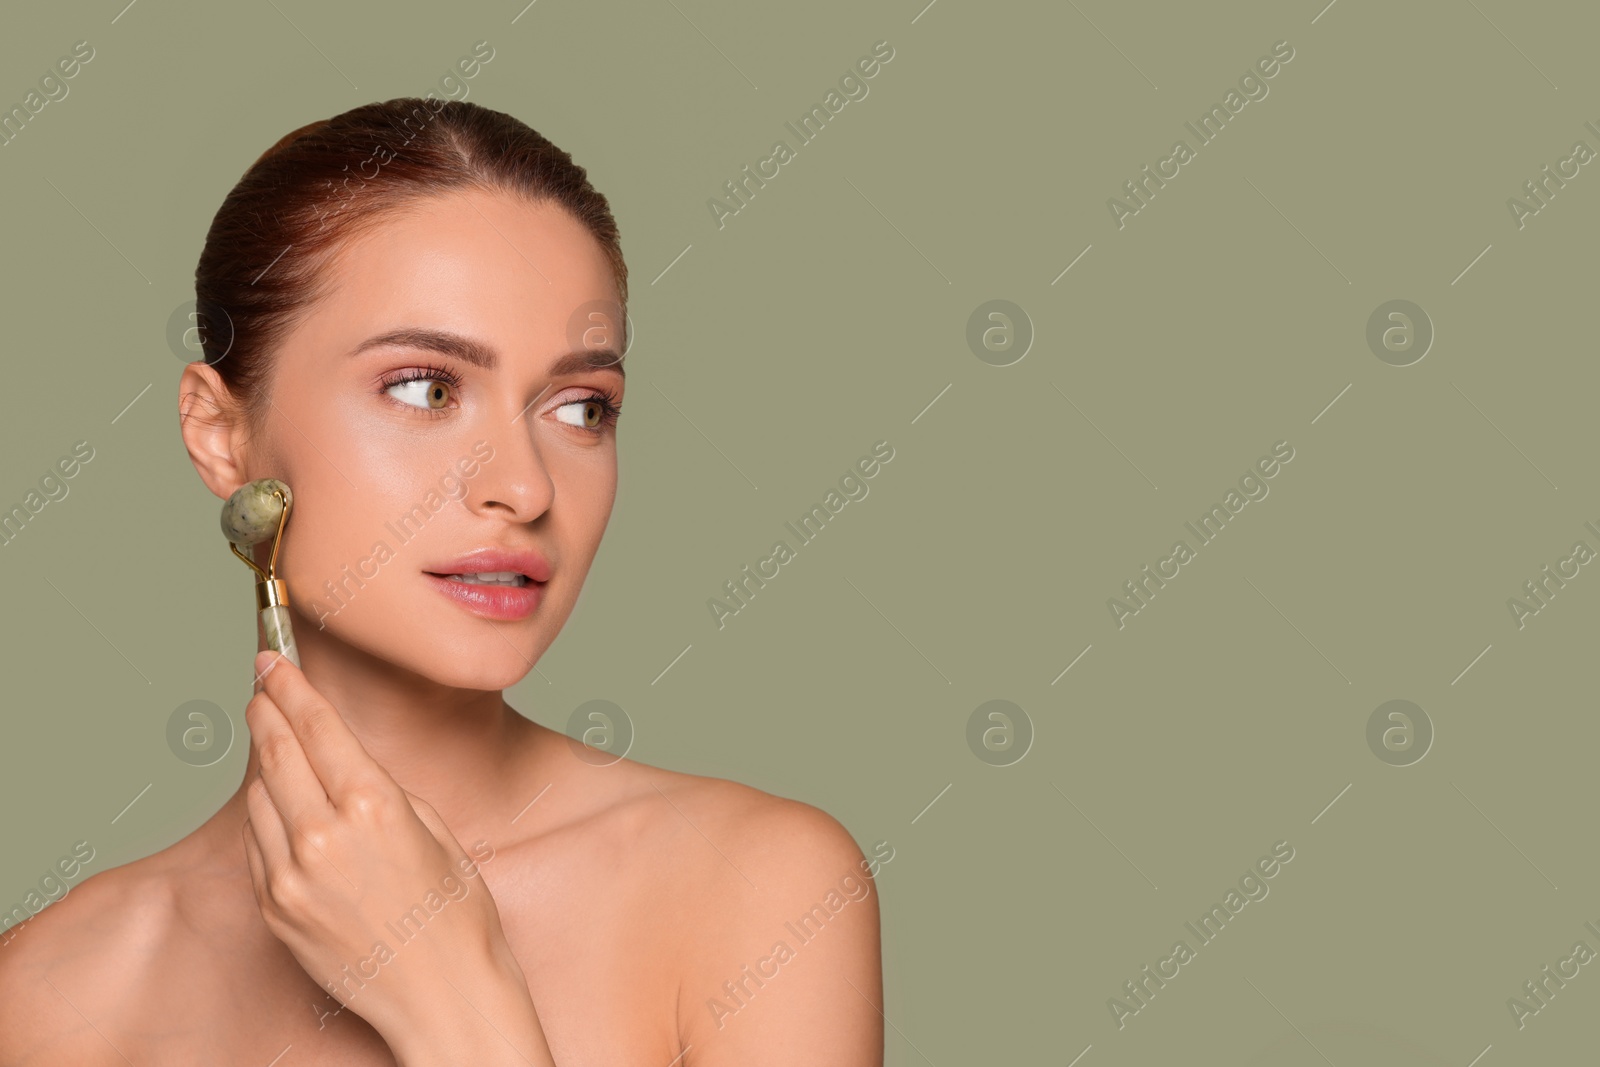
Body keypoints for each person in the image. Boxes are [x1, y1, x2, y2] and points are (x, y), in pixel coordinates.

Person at [0, 97, 884, 1065]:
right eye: (425, 387)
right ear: (221, 434)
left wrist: (450, 993)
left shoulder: (757, 891)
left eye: (582, 405)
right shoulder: (53, 993)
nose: (524, 485)